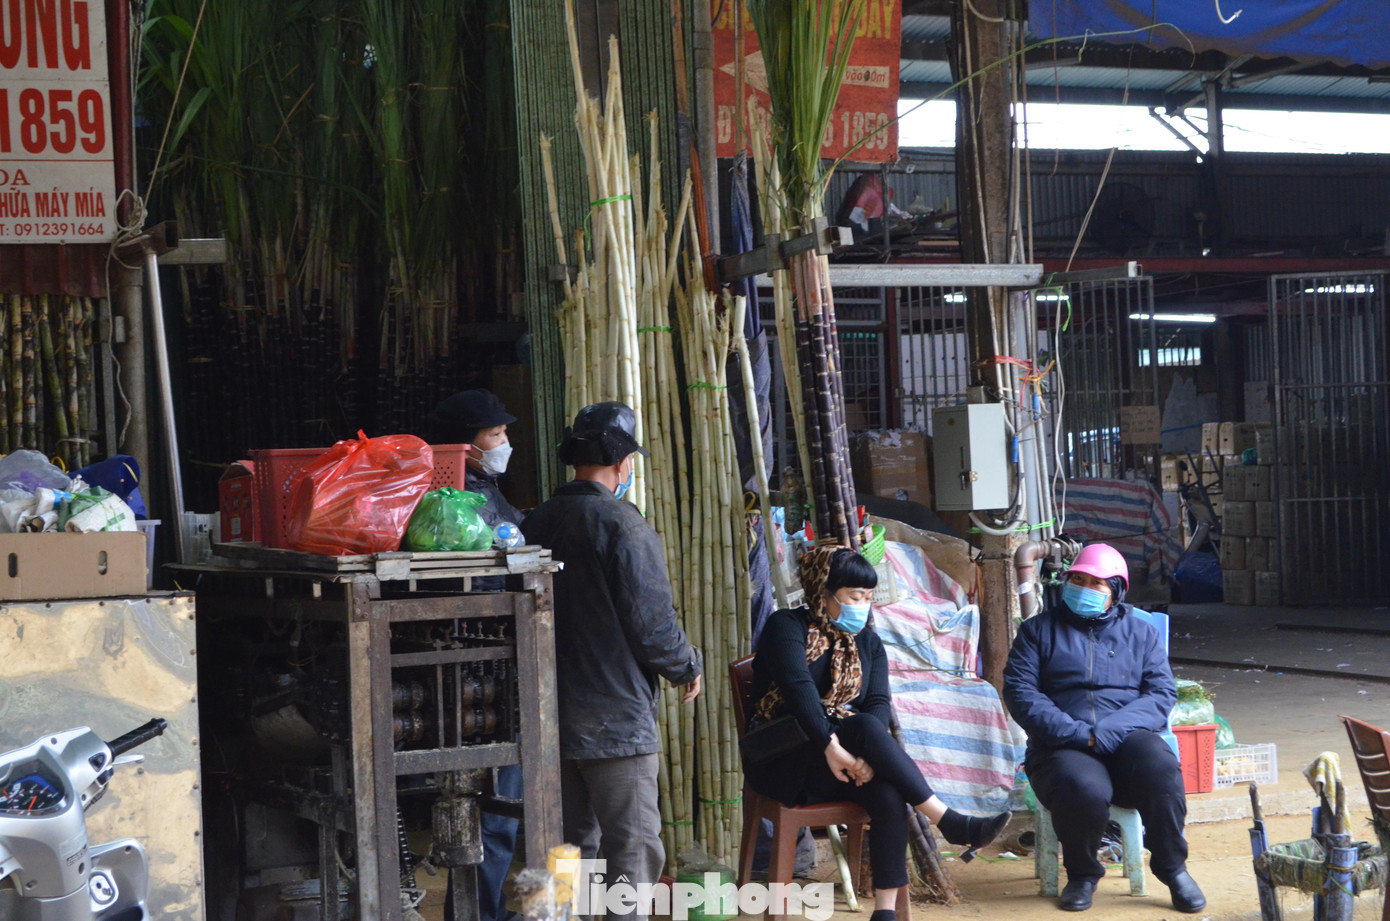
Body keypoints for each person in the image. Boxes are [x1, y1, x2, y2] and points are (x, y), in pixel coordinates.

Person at [744, 545, 1010, 921]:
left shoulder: (867, 643)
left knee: (887, 794)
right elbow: (799, 690)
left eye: (868, 597)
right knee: (863, 726)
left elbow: (878, 703)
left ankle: (884, 912)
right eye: (855, 596)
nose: (863, 605)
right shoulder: (787, 627)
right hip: (784, 758)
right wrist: (831, 746)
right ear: (823, 591)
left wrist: (862, 760)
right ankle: (948, 821)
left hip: (842, 761)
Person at [522, 401, 702, 921]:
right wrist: (686, 665)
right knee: (633, 848)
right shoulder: (622, 524)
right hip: (615, 720)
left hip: (547, 717)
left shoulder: (536, 520)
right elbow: (653, 627)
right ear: (624, 465)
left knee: (566, 848)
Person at [1003, 542, 1206, 914]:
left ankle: (1172, 867)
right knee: (1082, 785)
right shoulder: (1037, 632)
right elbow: (1021, 694)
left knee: (1160, 768)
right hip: (1060, 744)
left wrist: (1107, 732)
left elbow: (1161, 694)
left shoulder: (1141, 634)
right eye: (1077, 579)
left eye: (1096, 583)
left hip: (1127, 738)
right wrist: (1078, 734)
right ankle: (1082, 874)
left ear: (1116, 592)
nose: (1083, 588)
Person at [426, 388, 524, 921]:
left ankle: (479, 912)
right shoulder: (461, 502)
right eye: (496, 435)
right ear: (466, 447)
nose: (506, 442)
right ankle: (481, 914)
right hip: (484, 668)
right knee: (492, 809)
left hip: (480, 669)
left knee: (490, 807)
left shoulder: (483, 492)